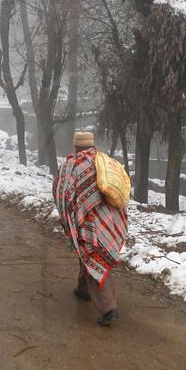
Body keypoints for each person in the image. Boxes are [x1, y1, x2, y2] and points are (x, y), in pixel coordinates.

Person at [52, 131, 128, 326]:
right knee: (85, 254)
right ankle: (83, 289)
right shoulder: (104, 161)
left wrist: (68, 214)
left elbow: (60, 191)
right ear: (92, 145)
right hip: (110, 220)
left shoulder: (73, 165)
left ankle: (108, 308)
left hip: (89, 221)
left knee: (94, 260)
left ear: (76, 146)